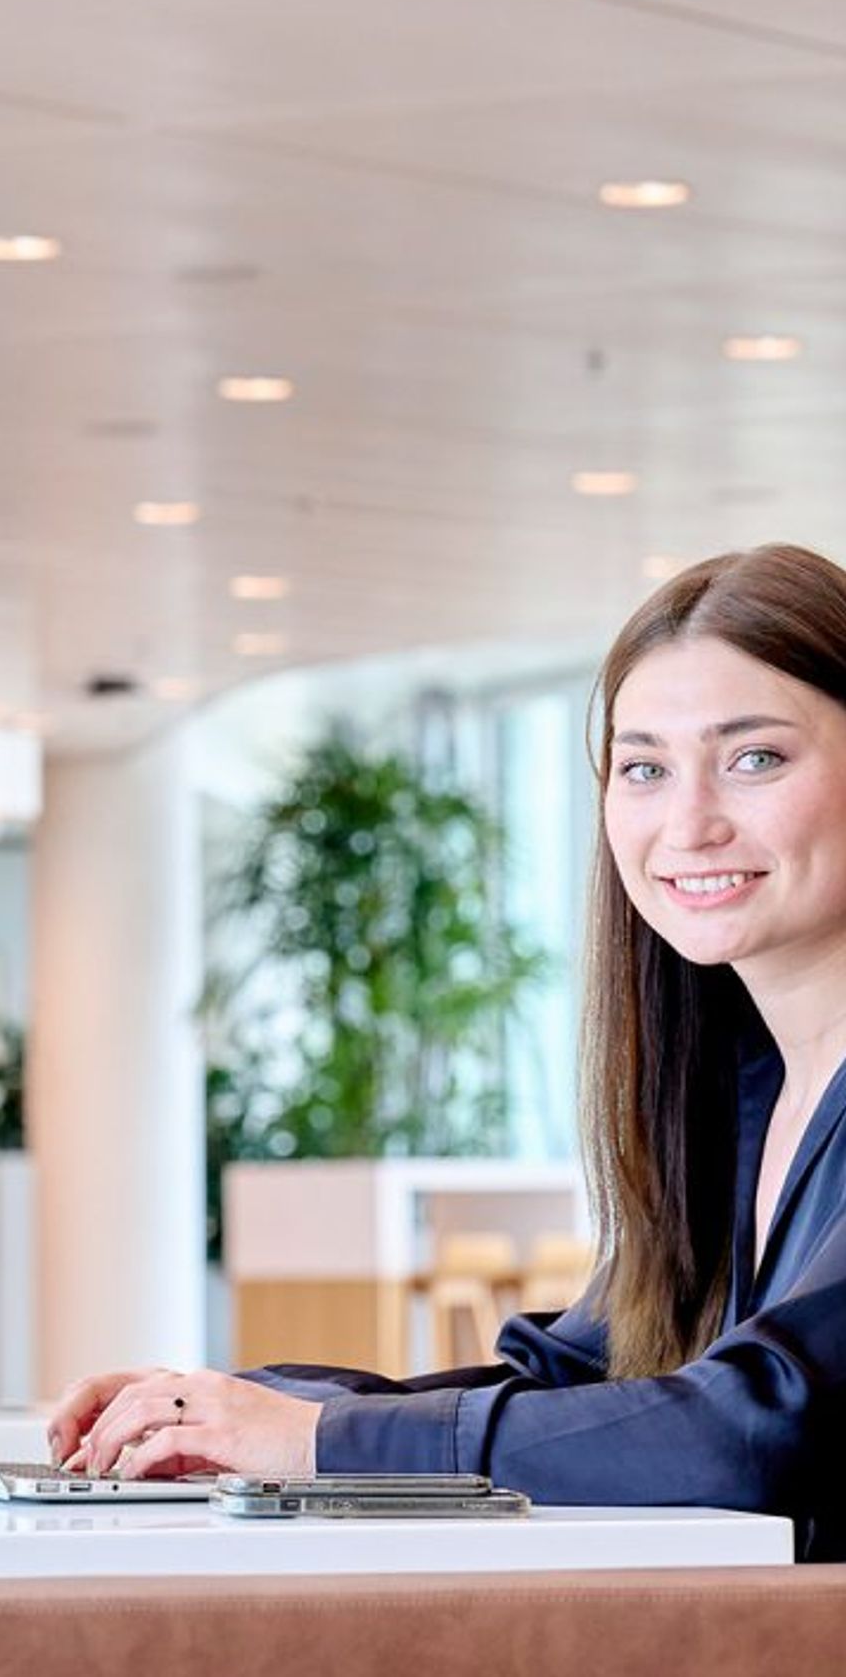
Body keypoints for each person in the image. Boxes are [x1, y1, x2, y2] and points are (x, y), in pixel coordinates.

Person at [48, 543, 846, 1561]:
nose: (685, 824)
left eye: (753, 758)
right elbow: (579, 1386)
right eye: (643, 768)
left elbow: (755, 1430)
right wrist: (230, 1405)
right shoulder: (736, 1093)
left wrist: (321, 1441)